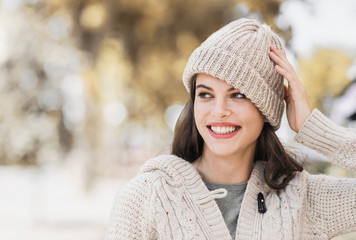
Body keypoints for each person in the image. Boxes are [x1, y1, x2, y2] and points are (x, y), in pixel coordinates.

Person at [105, 18, 356, 240]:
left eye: (237, 95)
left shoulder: (303, 199)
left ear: (265, 109)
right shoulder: (146, 196)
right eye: (205, 94)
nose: (219, 110)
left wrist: (313, 128)